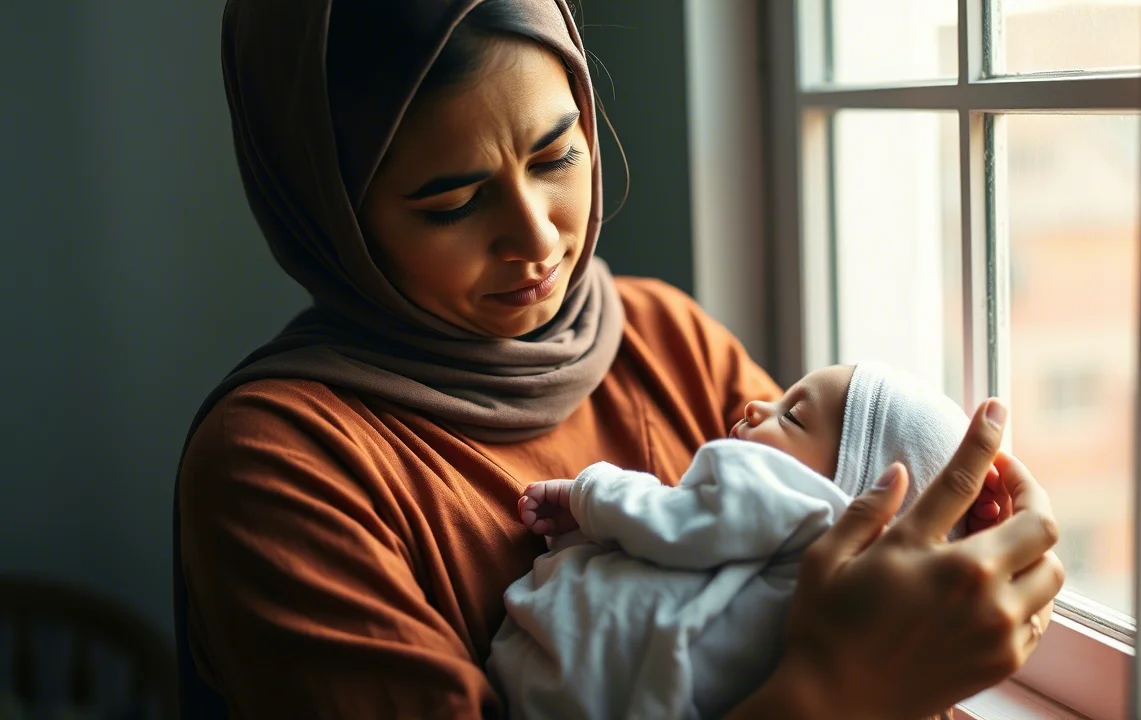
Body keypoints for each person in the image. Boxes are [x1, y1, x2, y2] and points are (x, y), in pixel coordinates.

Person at [175, 1, 1064, 718]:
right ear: (329, 217)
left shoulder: (664, 339)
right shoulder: (282, 467)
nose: (536, 238)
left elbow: (845, 573)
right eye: (451, 202)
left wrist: (958, 580)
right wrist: (834, 693)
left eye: (558, 154)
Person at [488, 362, 1006, 720]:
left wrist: (588, 492)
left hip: (558, 673)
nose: (757, 403)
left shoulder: (784, 499)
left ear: (850, 491)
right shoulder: (862, 622)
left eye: (794, 416)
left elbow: (666, 519)